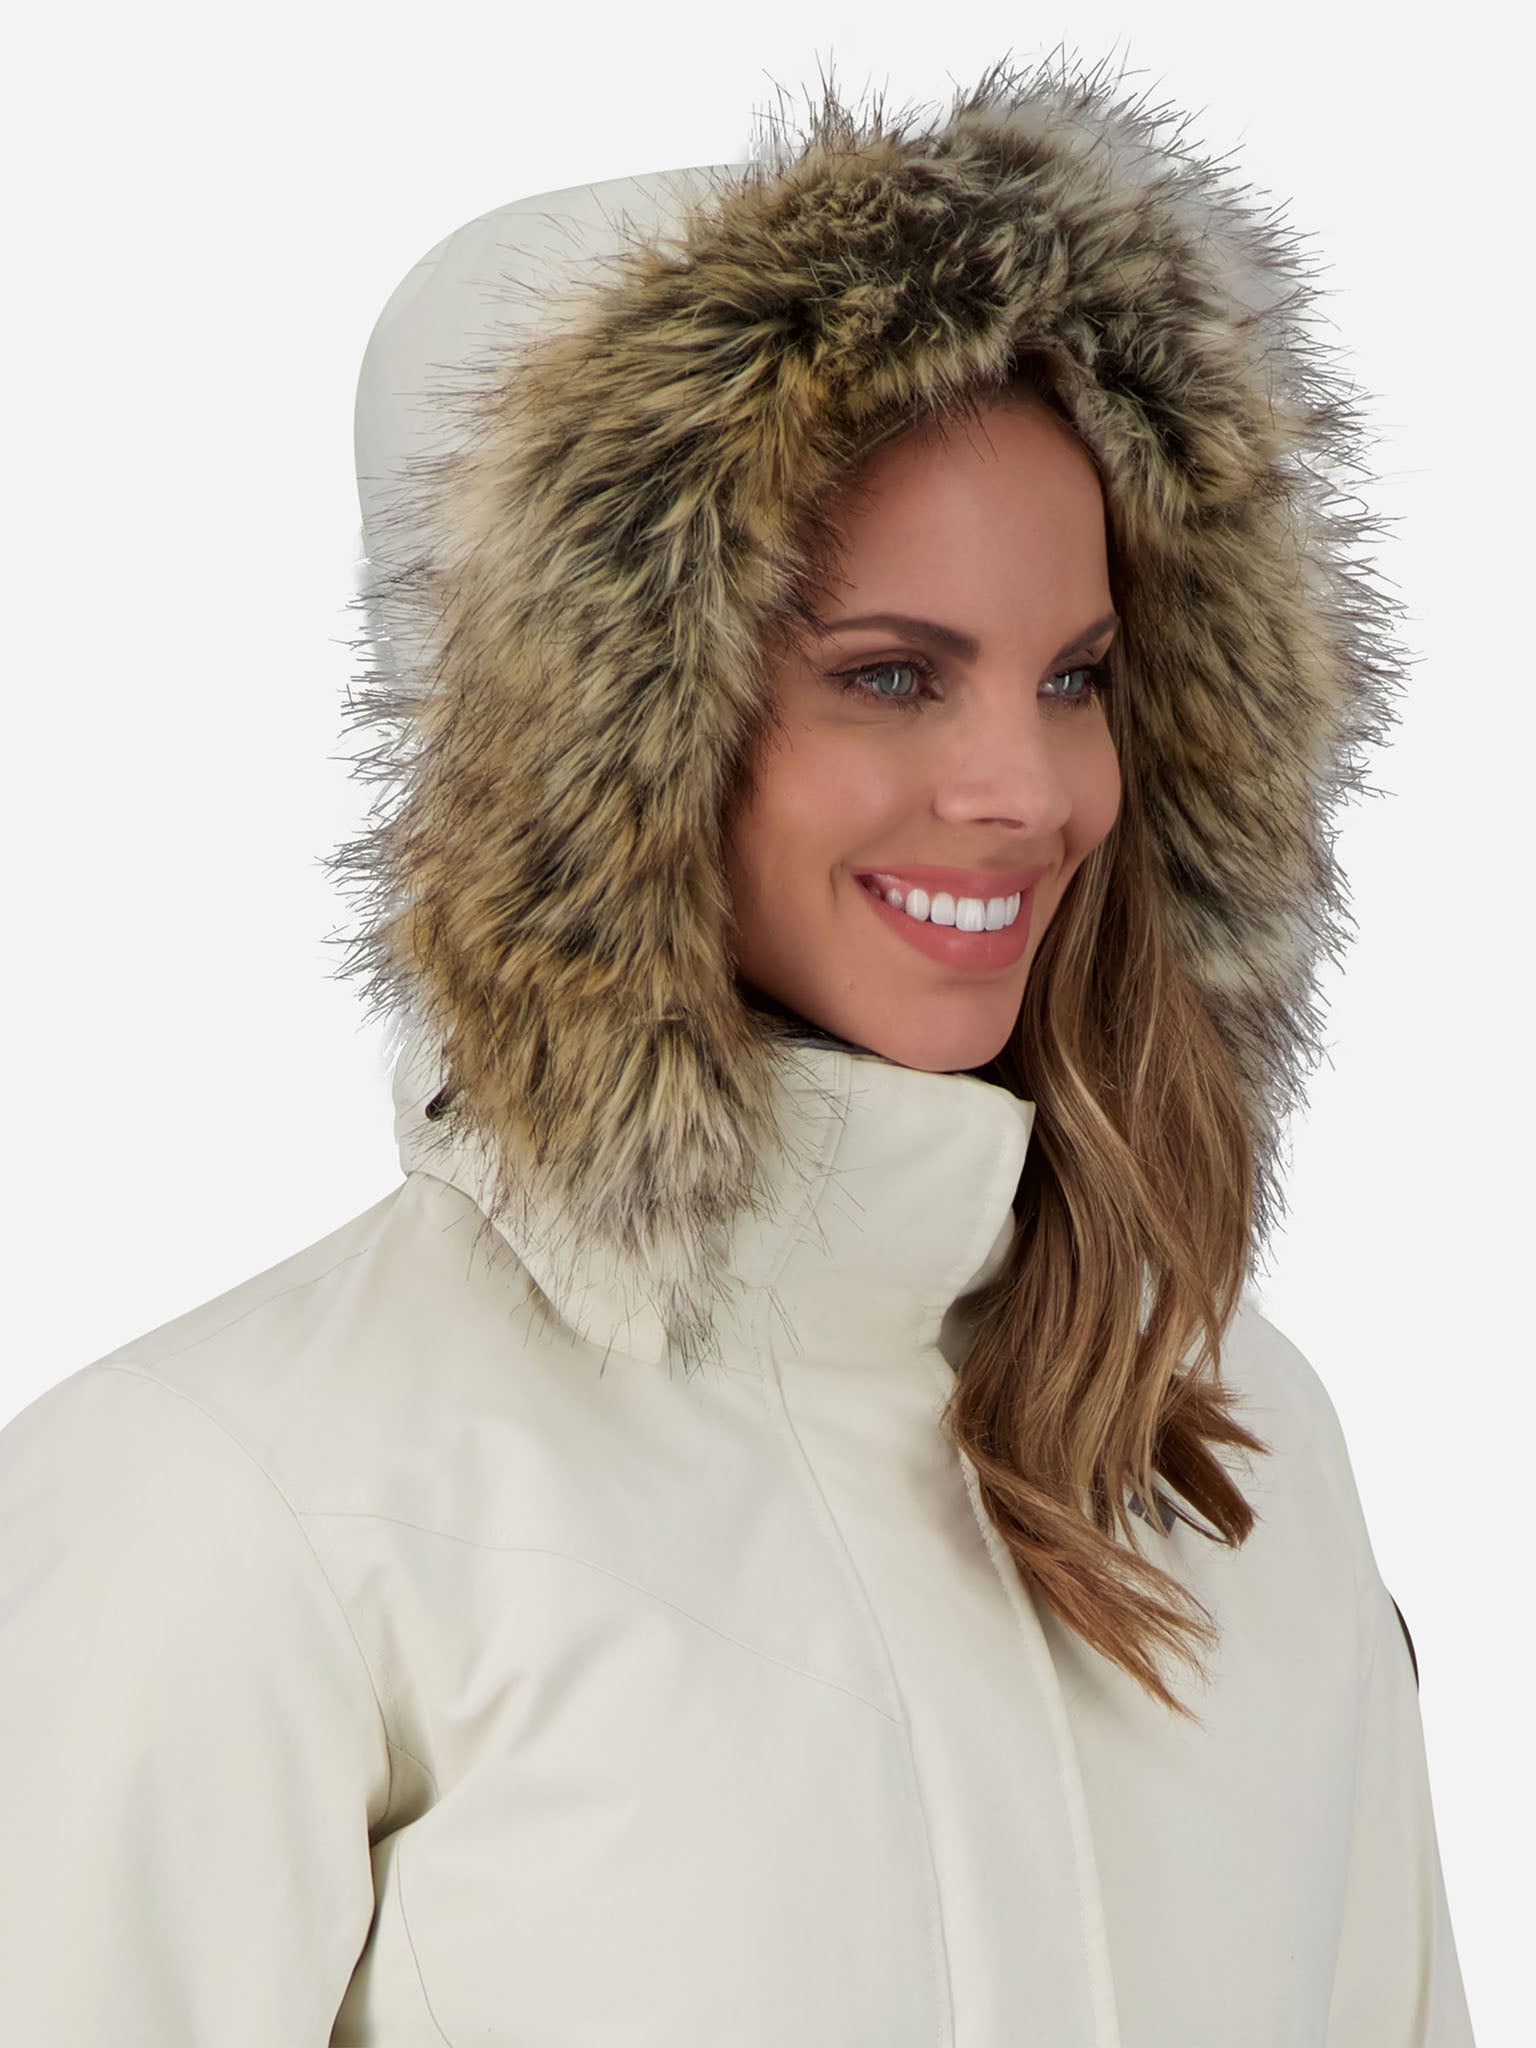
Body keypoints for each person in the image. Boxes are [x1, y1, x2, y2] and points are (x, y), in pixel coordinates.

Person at [0, 55, 1474, 2046]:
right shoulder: (238, 1501)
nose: (1028, 787)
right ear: (593, 743)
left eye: (1080, 677)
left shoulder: (1230, 1451)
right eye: (892, 674)